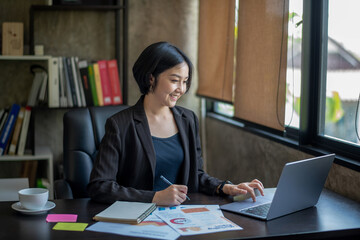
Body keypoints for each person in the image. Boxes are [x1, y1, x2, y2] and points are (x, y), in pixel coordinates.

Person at [87, 41, 264, 206]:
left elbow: (195, 174)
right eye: (174, 80)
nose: (182, 89)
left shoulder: (188, 120)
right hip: (138, 218)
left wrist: (225, 187)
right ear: (151, 78)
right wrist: (155, 197)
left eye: (185, 81)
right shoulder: (120, 124)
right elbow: (100, 186)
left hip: (180, 217)